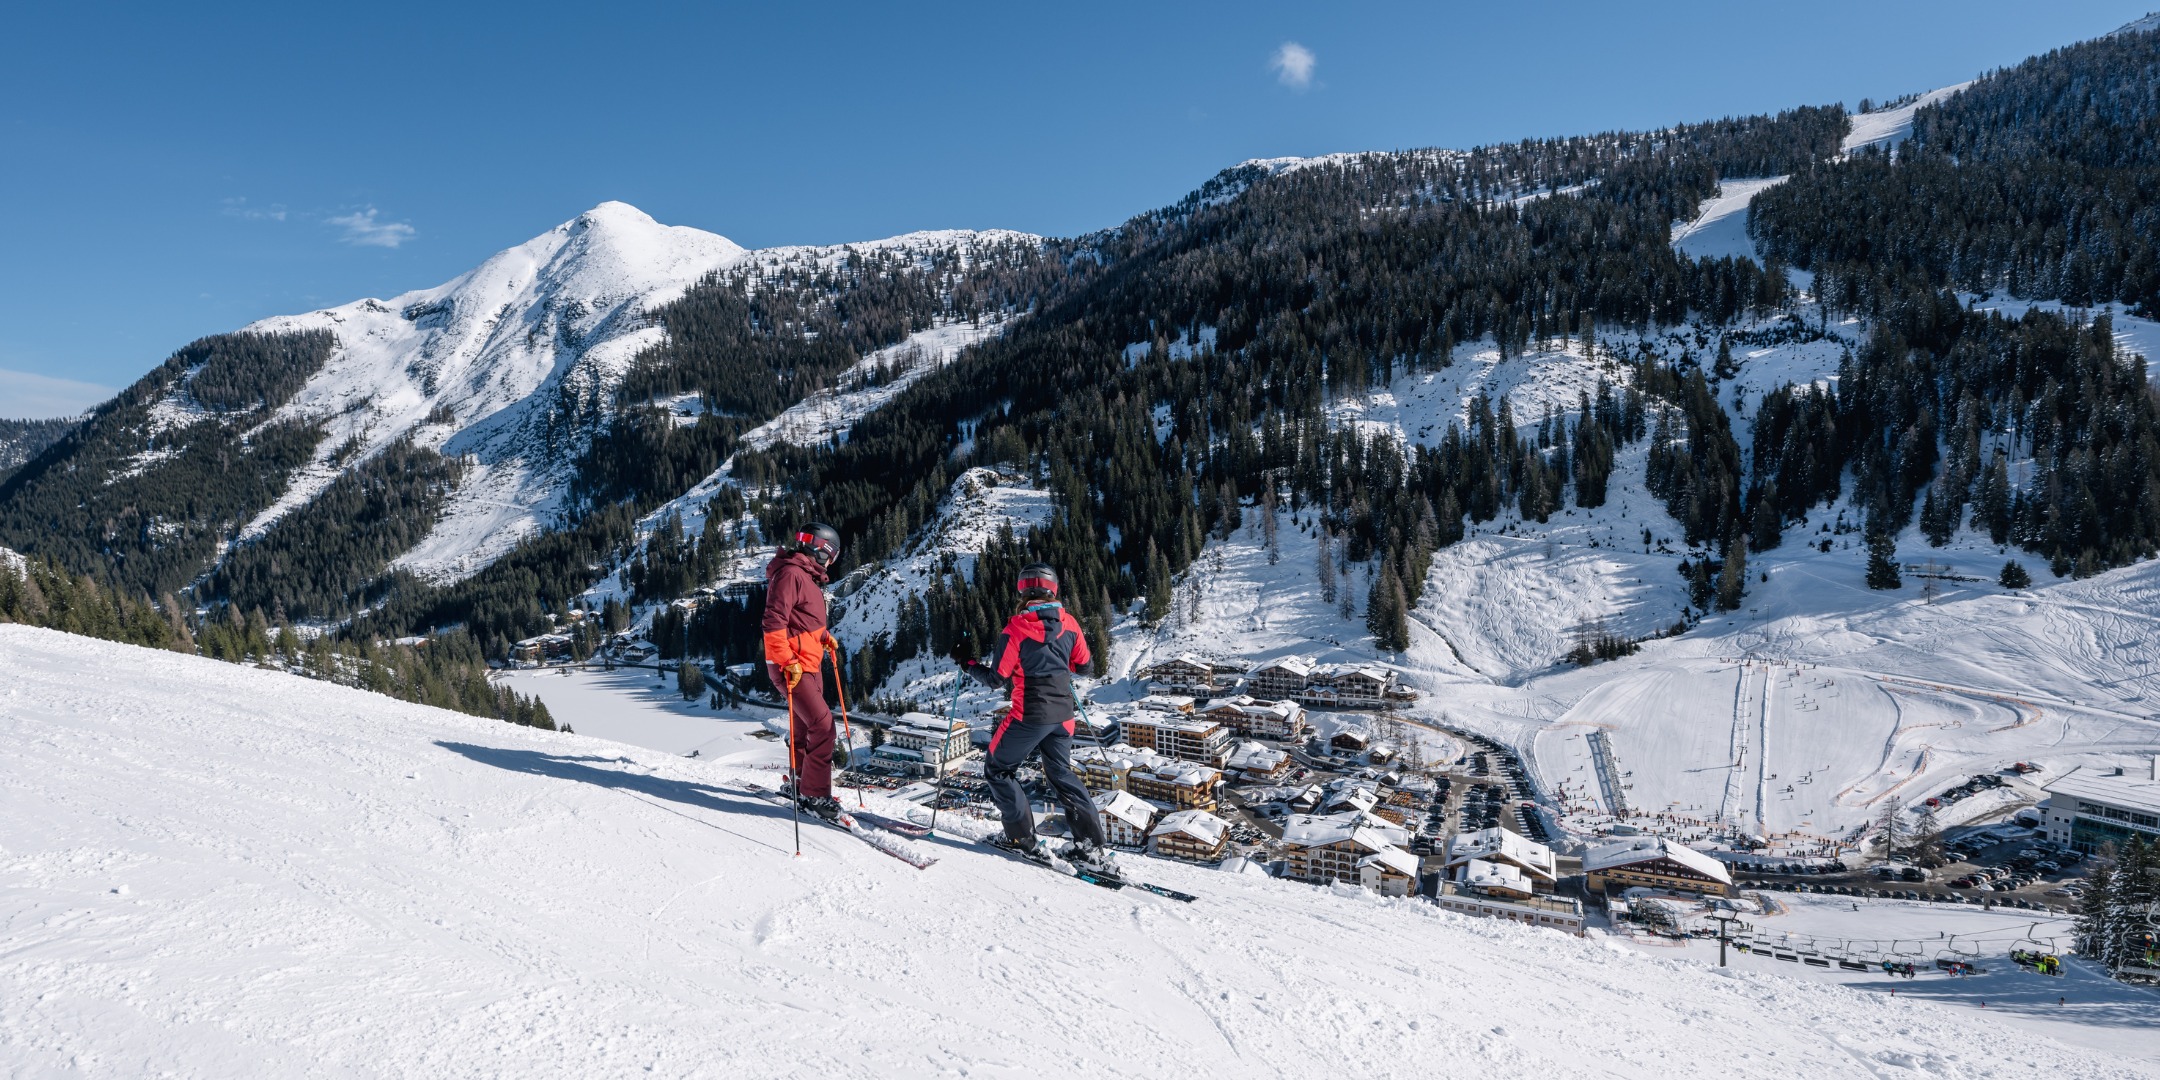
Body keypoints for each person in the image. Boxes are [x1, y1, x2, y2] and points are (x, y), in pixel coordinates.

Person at [951, 562, 1118, 877]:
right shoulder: (1069, 624)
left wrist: (967, 662)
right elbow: (1085, 668)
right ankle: (1090, 848)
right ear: (1053, 589)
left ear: (1023, 591)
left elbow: (996, 679)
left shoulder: (1015, 628)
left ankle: (1021, 839)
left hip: (1030, 715)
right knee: (1061, 775)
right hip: (1064, 718)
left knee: (998, 768)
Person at [764, 522, 844, 822]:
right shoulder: (791, 574)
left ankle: (800, 784)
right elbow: (773, 622)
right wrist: (786, 661)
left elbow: (801, 621)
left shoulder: (804, 576)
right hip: (794, 666)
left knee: (803, 727)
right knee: (823, 727)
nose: (831, 563)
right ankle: (815, 794)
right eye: (831, 556)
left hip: (807, 663)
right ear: (822, 551)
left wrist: (822, 637)